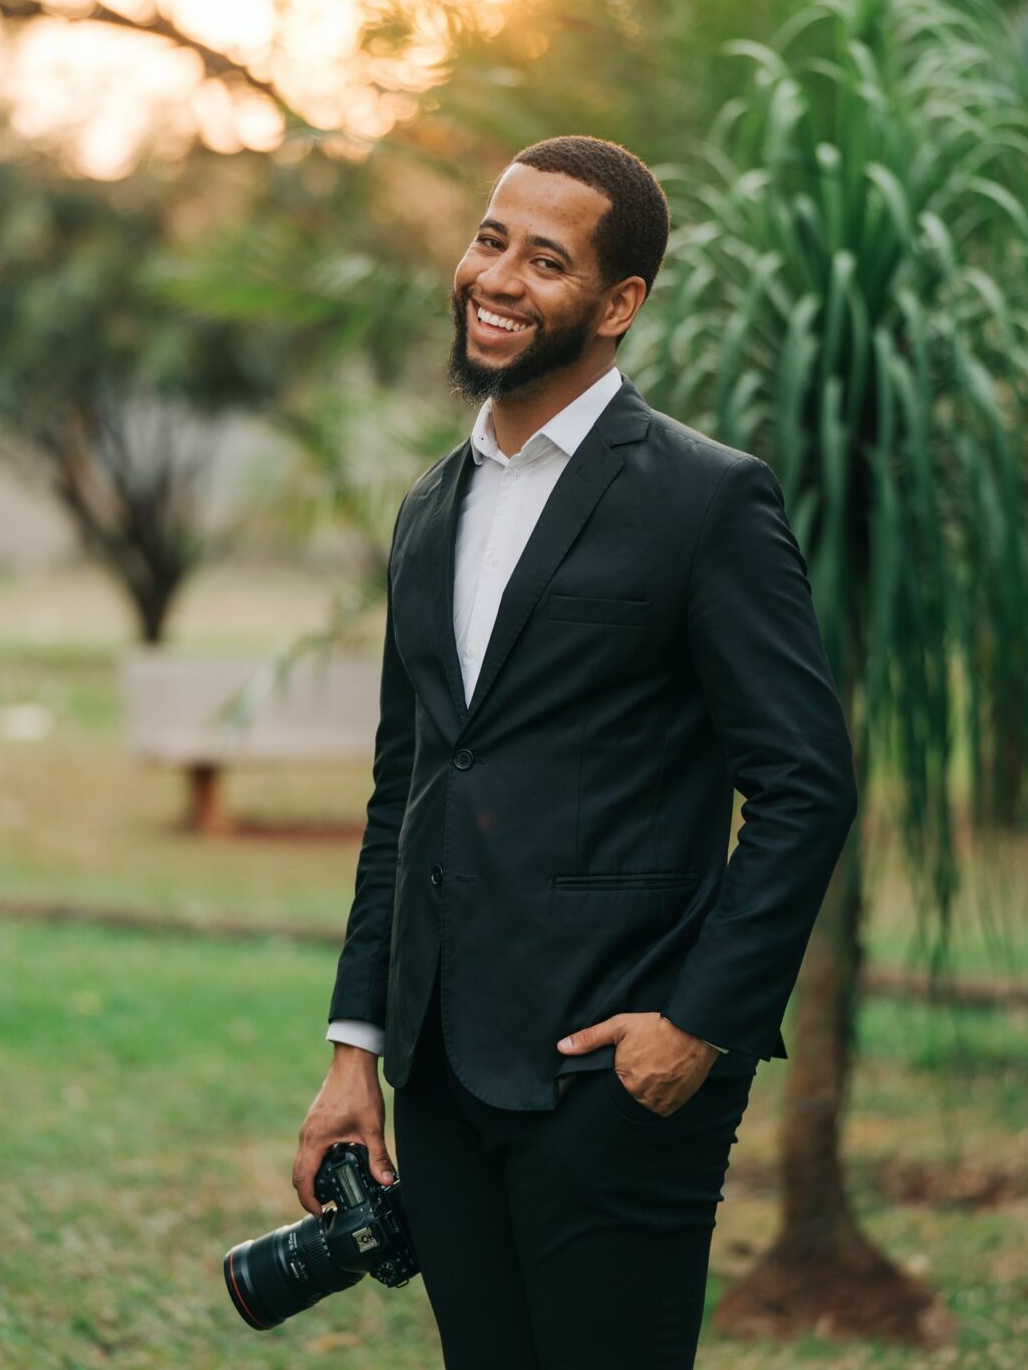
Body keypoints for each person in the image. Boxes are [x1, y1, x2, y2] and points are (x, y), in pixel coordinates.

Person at [292, 135, 858, 1368]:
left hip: (617, 1081)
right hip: (439, 1080)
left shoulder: (707, 501)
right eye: (490, 240)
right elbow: (410, 791)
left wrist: (694, 1026)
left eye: (545, 260)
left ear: (616, 305)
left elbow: (806, 785)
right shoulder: (428, 509)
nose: (497, 277)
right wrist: (356, 1054)